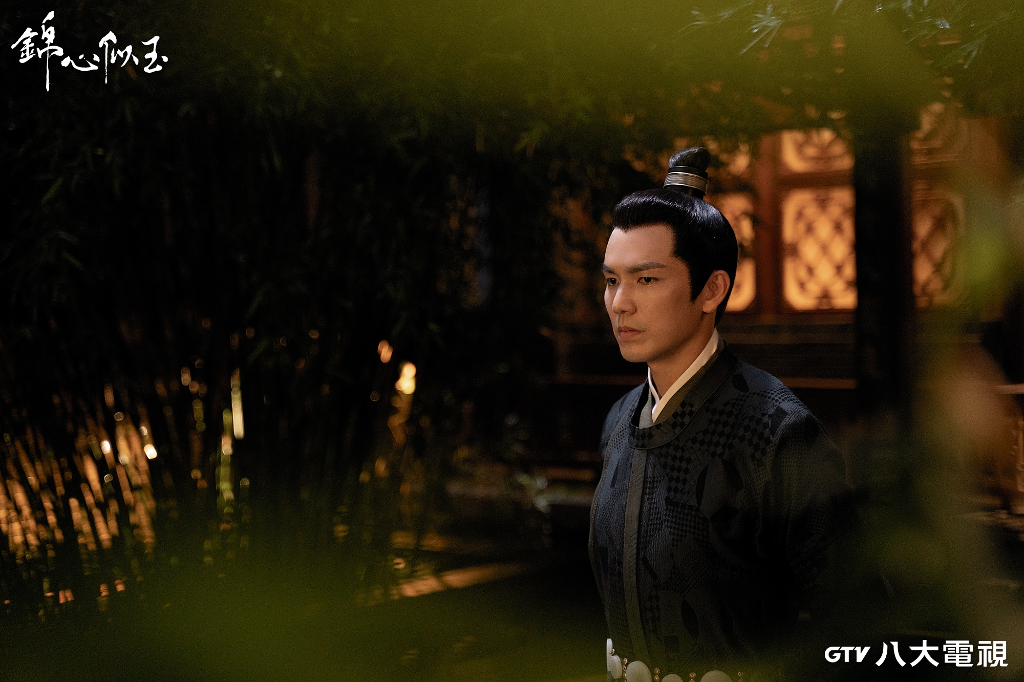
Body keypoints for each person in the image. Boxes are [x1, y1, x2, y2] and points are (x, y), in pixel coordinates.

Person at [589, 148, 856, 682]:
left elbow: (853, 621)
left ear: (712, 289)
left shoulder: (778, 431)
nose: (619, 303)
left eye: (646, 280)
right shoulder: (620, 422)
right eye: (612, 280)